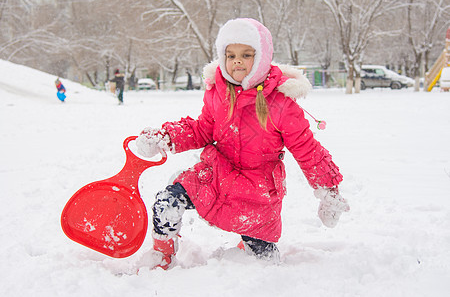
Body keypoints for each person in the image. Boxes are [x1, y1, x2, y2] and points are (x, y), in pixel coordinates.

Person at [135, 18, 349, 270]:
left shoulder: (281, 103)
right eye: (231, 54)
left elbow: (306, 148)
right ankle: (162, 254)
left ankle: (252, 249)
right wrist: (166, 137)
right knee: (166, 201)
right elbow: (202, 128)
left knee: (264, 264)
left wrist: (329, 190)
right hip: (216, 177)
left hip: (256, 193)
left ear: (262, 58)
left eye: (246, 54)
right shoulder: (218, 92)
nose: (237, 61)